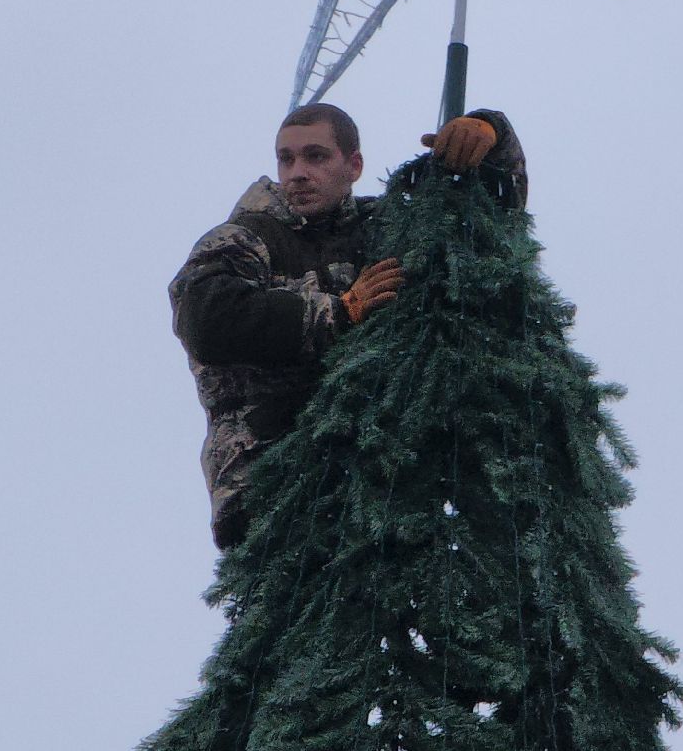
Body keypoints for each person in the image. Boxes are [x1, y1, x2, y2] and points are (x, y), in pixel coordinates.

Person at [169, 103, 527, 549]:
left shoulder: (386, 230)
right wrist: (337, 313)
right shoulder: (244, 238)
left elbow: (485, 229)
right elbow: (207, 319)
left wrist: (490, 135)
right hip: (270, 490)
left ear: (354, 166)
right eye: (286, 159)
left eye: (315, 156)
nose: (298, 173)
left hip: (389, 478)